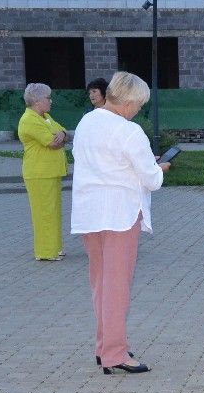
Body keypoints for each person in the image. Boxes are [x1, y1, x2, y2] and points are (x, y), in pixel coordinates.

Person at [70, 72, 170, 373]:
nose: (137, 110)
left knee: (100, 282)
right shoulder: (130, 131)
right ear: (126, 101)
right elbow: (152, 180)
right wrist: (160, 167)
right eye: (137, 105)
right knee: (117, 287)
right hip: (119, 214)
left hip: (89, 213)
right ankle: (115, 353)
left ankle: (105, 347)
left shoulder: (87, 121)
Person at [18, 83, 69, 261]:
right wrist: (61, 137)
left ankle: (55, 247)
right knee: (43, 213)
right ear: (37, 101)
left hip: (51, 172)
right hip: (39, 173)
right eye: (48, 98)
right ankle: (46, 252)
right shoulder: (29, 120)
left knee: (53, 212)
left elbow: (63, 132)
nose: (50, 101)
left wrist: (62, 135)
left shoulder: (45, 117)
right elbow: (53, 142)